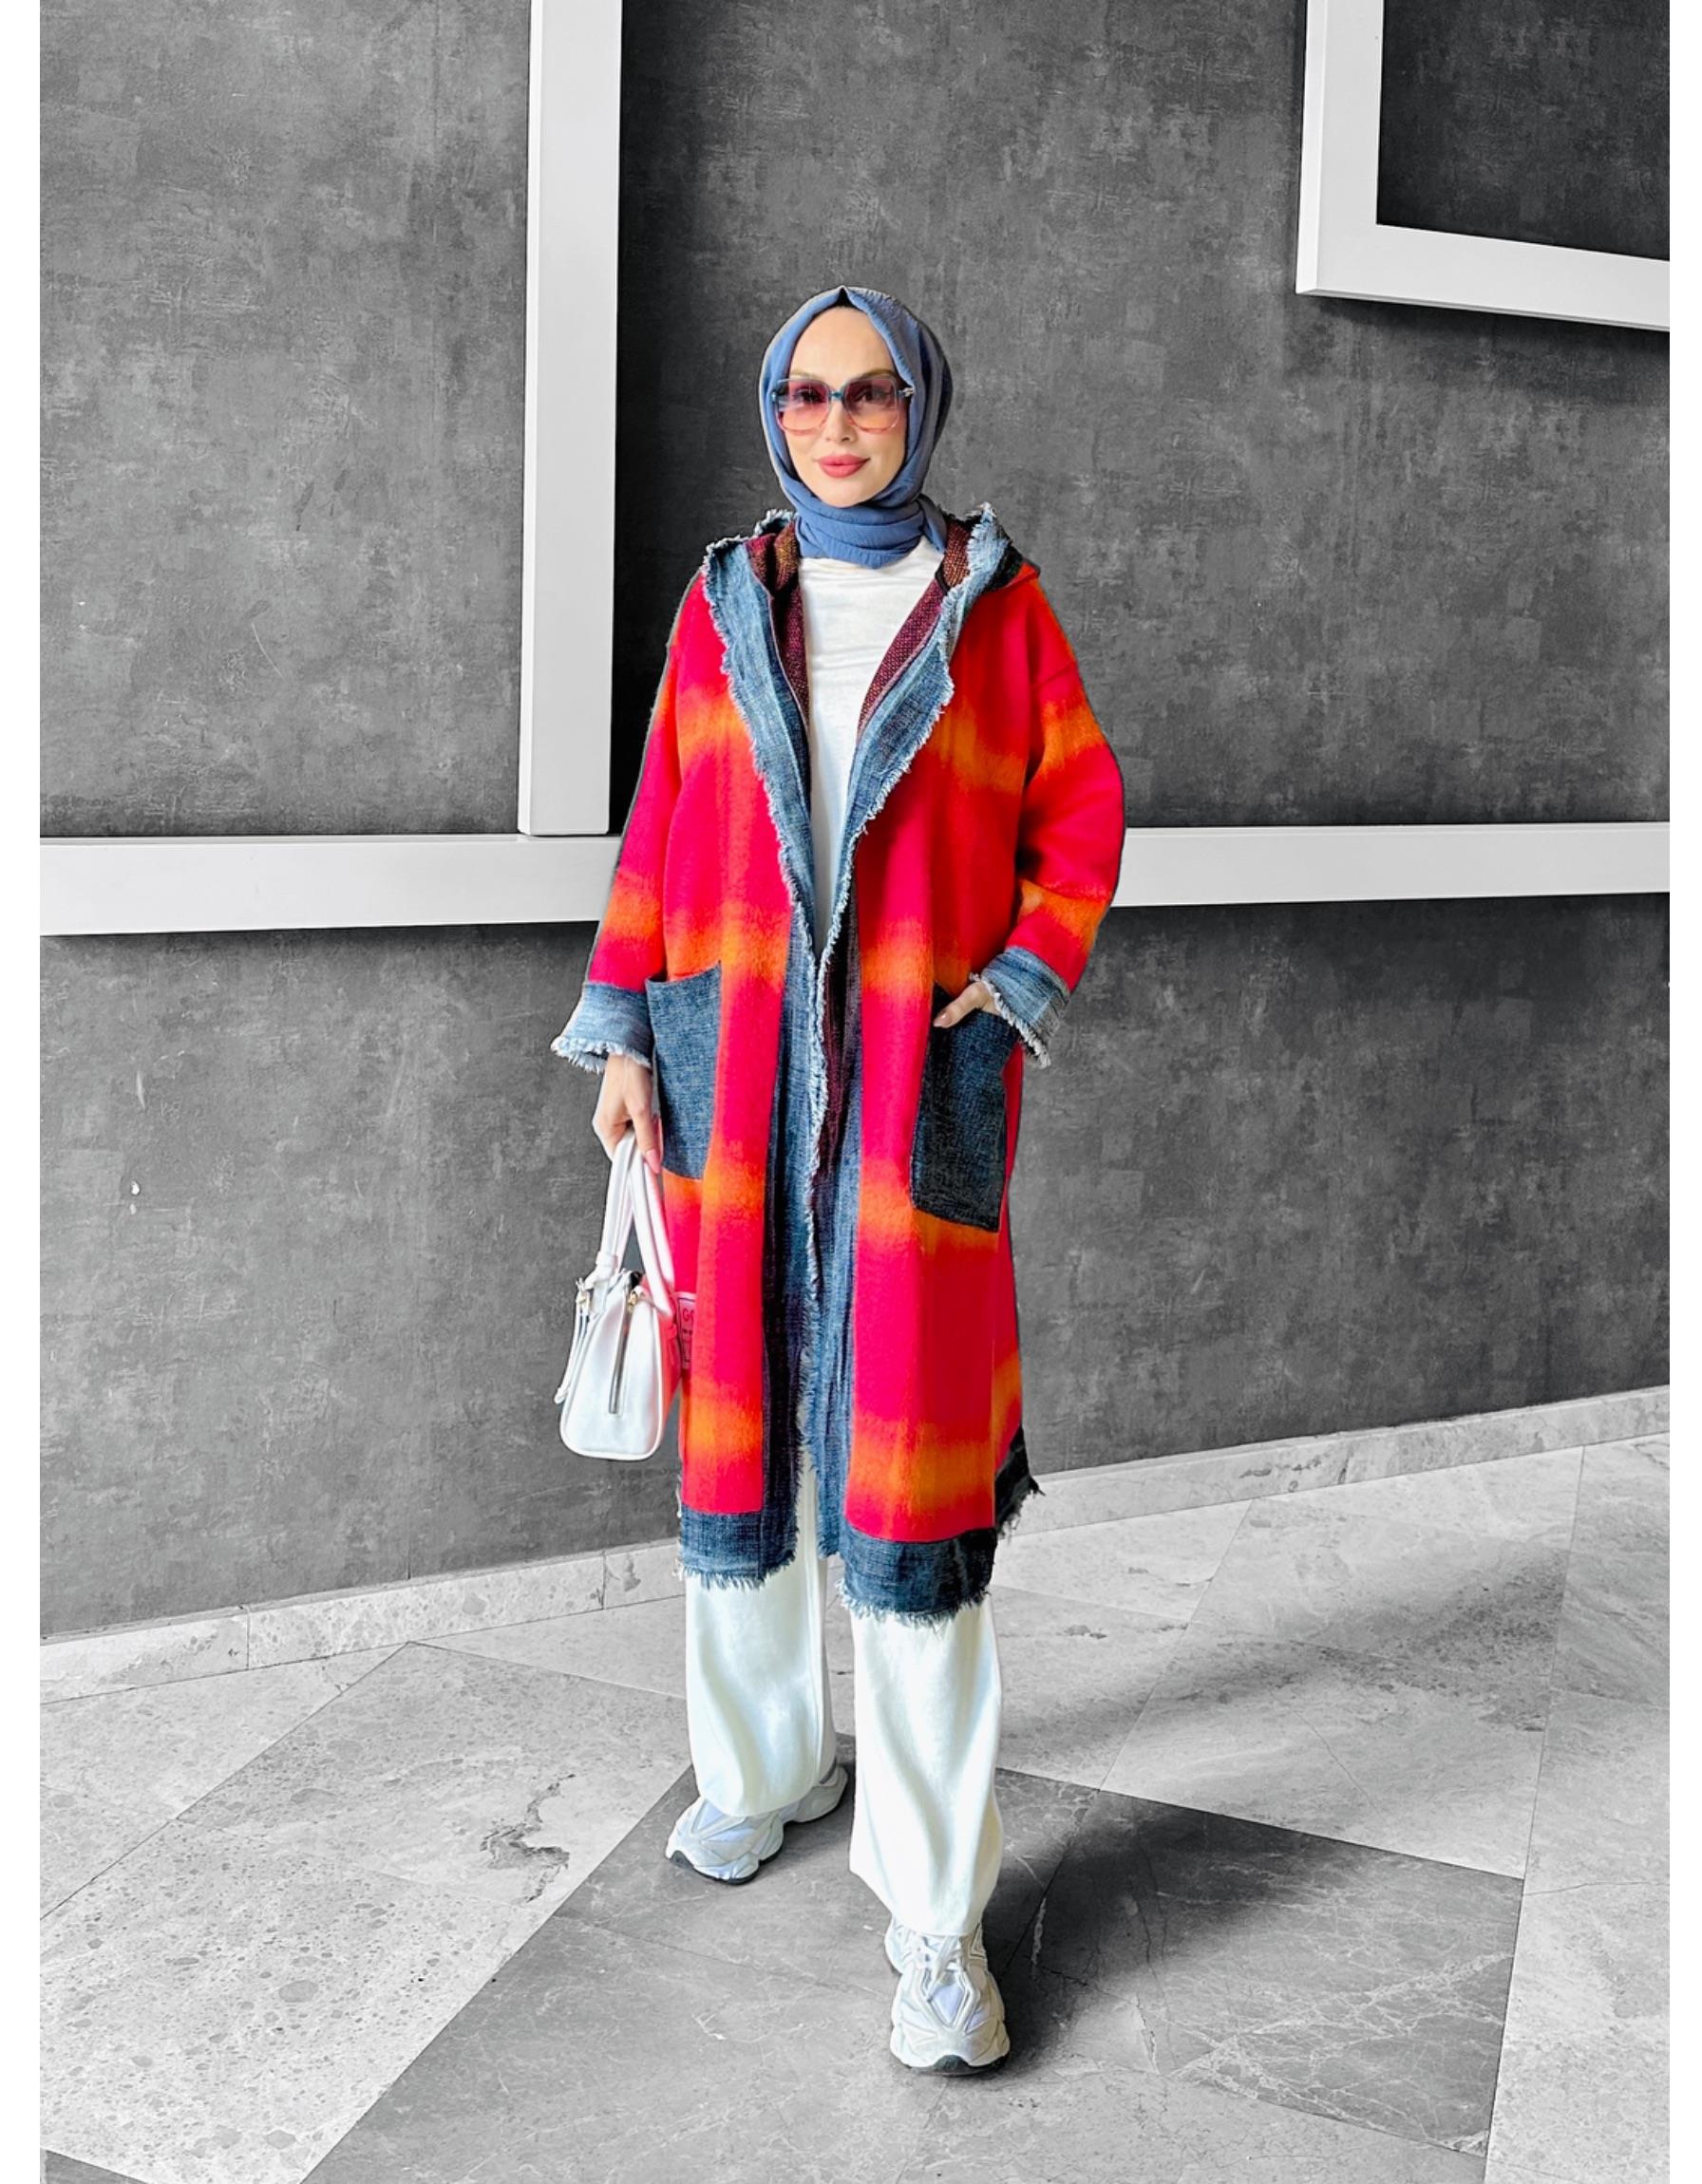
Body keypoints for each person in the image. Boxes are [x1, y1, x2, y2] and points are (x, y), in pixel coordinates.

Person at [552, 283, 1125, 2071]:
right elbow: (660, 827)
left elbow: (1083, 811)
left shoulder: (995, 606)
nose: (838, 422)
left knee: (907, 1505)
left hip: (906, 1096)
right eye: (806, 394)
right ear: (776, 411)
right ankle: (762, 1770)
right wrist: (625, 1035)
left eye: (872, 393)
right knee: (740, 1453)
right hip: (728, 1082)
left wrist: (1012, 984)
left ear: (921, 407)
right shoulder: (724, 602)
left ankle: (937, 1924)